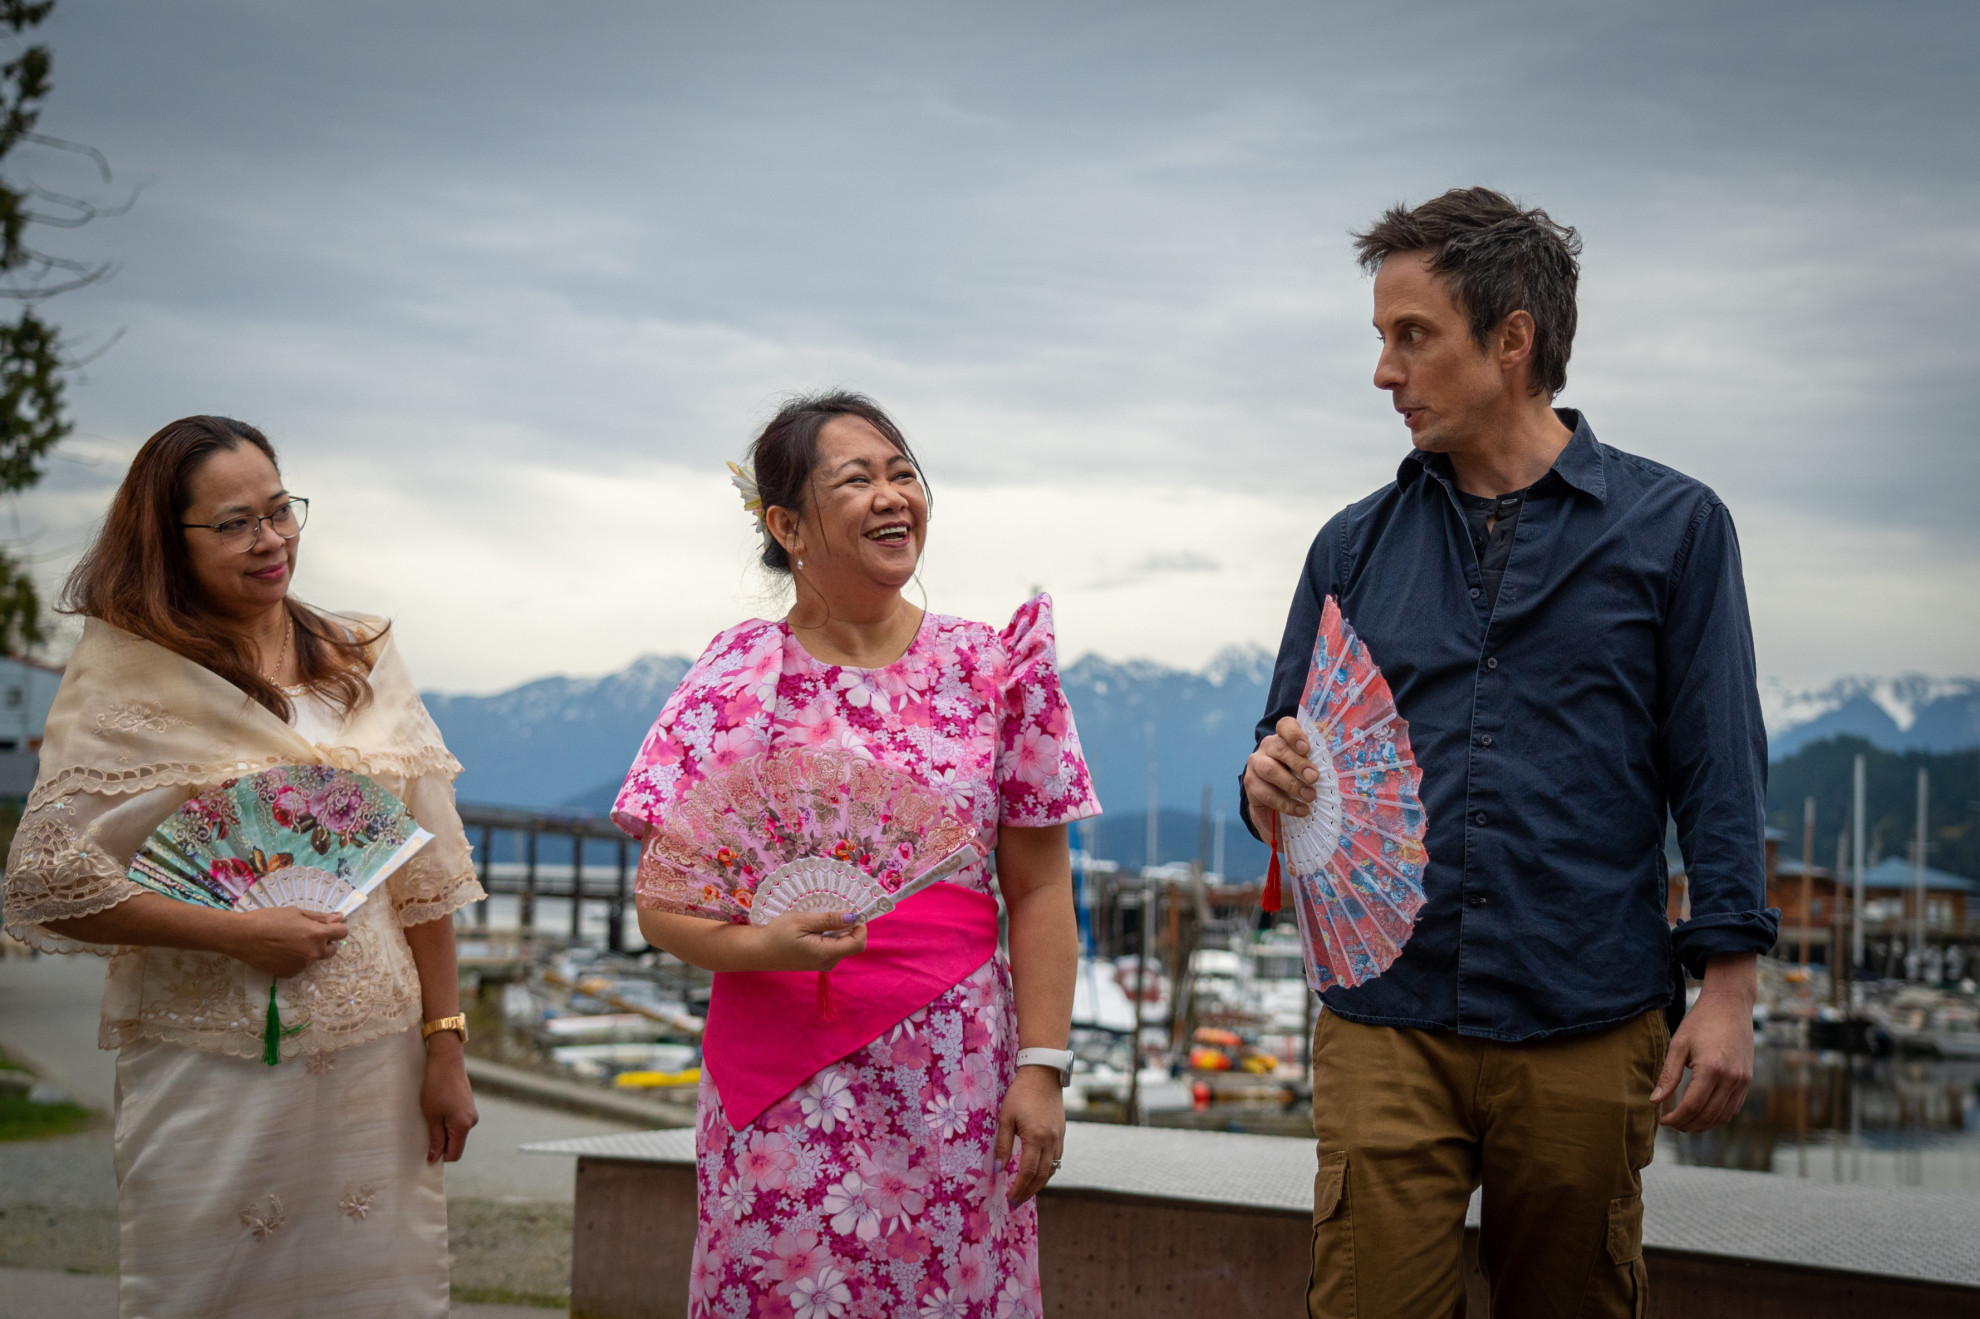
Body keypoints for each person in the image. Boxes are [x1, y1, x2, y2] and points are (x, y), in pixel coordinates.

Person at [1240, 190, 1778, 1318]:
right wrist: (1267, 785)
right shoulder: (1351, 544)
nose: (1384, 371)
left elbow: (1719, 766)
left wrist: (1727, 986)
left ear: (1514, 338)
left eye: (1412, 335)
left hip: (1588, 1007)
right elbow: (1283, 759)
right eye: (1382, 339)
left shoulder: (1676, 527)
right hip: (1384, 1013)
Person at [615, 391, 1096, 1319]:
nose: (892, 497)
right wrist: (769, 948)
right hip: (781, 1082)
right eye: (857, 479)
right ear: (787, 524)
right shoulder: (736, 677)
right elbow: (663, 906)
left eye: (902, 472)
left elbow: (1038, 885)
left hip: (953, 1078)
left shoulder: (992, 668)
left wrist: (1042, 1065)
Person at [2, 416, 485, 1318]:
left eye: (280, 510)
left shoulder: (359, 656)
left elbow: (426, 878)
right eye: (234, 523)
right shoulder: (128, 674)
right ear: (167, 539)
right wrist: (233, 932)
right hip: (208, 1059)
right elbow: (46, 880)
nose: (271, 540)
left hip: (375, 1058)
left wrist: (445, 1045)